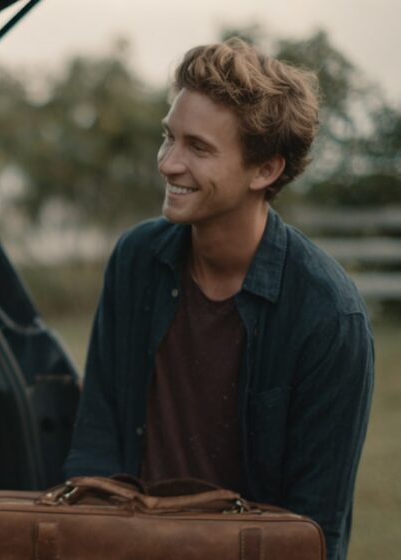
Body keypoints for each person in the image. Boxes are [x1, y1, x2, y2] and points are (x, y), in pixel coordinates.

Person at [63, 37, 374, 560]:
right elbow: (98, 433)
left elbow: (315, 529)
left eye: (198, 148)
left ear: (265, 170)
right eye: (169, 138)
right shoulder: (136, 258)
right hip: (122, 545)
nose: (168, 164)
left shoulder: (328, 316)